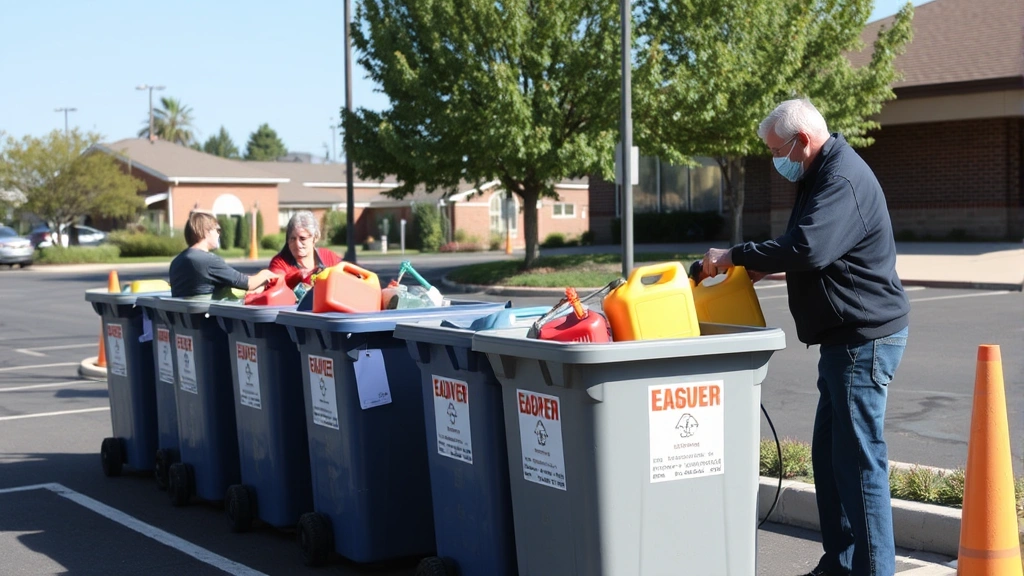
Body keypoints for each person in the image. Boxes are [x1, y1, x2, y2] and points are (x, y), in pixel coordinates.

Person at [702, 98, 910, 576]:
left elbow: (810, 247)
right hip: (843, 340)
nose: (776, 162)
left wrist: (734, 254)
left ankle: (873, 570)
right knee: (830, 457)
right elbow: (812, 252)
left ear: (802, 142)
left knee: (858, 463)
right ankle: (840, 562)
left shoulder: (840, 178)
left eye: (778, 150)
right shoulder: (820, 174)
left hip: (863, 339)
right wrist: (753, 267)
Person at [169, 210, 279, 299]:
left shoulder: (176, 262)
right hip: (218, 321)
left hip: (186, 323)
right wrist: (267, 274)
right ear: (206, 231)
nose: (219, 234)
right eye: (217, 230)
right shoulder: (208, 261)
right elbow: (248, 283)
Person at [268, 211, 343, 289]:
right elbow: (276, 282)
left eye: (302, 238)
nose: (297, 244)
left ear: (316, 237)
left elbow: (347, 276)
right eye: (292, 239)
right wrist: (299, 276)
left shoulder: (328, 257)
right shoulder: (280, 262)